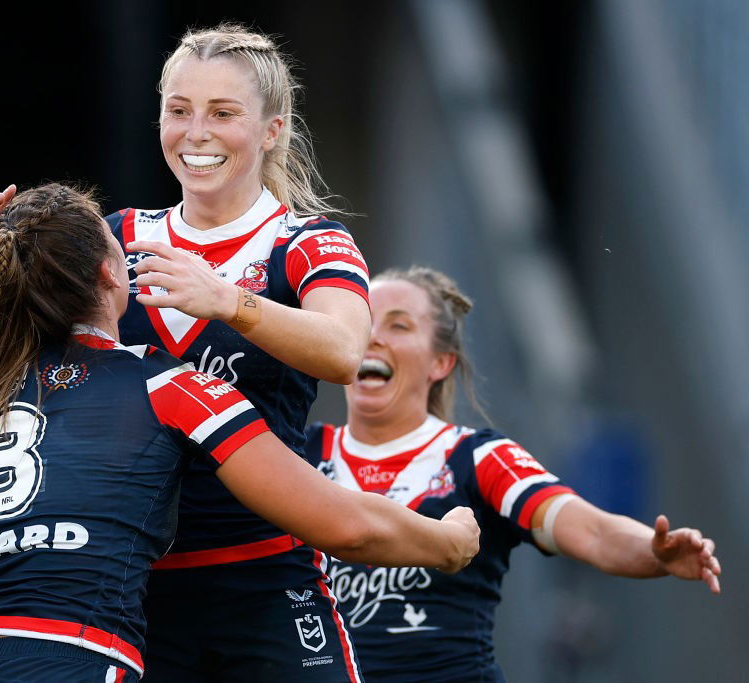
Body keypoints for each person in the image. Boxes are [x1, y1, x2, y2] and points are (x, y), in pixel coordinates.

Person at [0, 184, 480, 682]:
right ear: (113, 274)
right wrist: (448, 542)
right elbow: (348, 529)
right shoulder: (169, 387)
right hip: (78, 657)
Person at [100, 24, 377, 682]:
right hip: (135, 590)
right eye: (179, 110)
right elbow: (25, 372)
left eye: (223, 114)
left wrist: (228, 300)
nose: (196, 133)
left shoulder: (307, 241)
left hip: (266, 577)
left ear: (272, 130)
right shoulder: (114, 240)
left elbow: (343, 351)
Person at [306, 266, 723, 682]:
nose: (374, 336)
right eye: (365, 322)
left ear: (441, 362)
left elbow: (589, 530)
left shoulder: (479, 457)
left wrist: (654, 552)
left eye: (398, 325)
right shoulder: (298, 454)